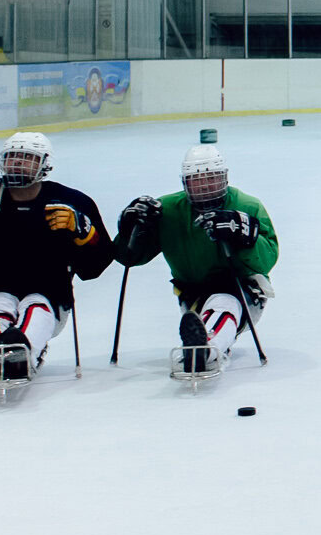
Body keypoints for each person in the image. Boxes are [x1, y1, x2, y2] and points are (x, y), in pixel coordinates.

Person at [0, 130, 114, 383]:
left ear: (45, 165)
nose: (17, 163)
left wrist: (83, 231)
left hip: (52, 298)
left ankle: (19, 350)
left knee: (37, 306)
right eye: (11, 157)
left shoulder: (72, 202)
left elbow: (94, 267)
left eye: (26, 157)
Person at [114, 143, 280, 374]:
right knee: (213, 308)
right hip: (193, 293)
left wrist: (246, 237)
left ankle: (206, 349)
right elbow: (129, 258)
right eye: (196, 180)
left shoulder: (246, 205)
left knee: (225, 302)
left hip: (242, 290)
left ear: (224, 178)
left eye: (211, 178)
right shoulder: (169, 210)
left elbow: (267, 260)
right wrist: (131, 230)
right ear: (185, 182)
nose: (204, 186)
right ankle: (204, 345)